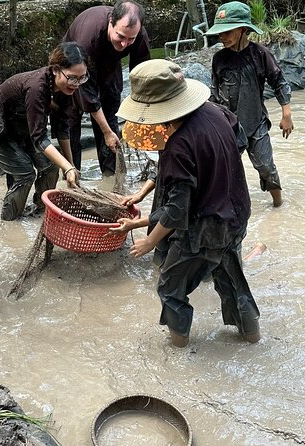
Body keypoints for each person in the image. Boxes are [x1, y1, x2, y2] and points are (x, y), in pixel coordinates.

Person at [111, 59, 261, 347]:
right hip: (236, 213)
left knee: (170, 287)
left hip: (205, 231)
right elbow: (239, 141)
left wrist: (149, 242)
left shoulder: (177, 147)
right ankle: (252, 337)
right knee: (231, 279)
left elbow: (178, 211)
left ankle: (178, 350)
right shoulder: (216, 111)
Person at [0, 42, 84, 221]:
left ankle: (42, 210)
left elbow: (62, 127)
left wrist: (70, 168)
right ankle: (10, 222)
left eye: (82, 78)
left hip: (23, 123)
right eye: (72, 77)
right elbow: (40, 137)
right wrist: (68, 167)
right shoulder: (36, 87)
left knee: (51, 165)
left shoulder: (68, 87)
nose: (77, 83)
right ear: (56, 69)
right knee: (25, 173)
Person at [205, 1, 294, 207]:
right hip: (228, 125)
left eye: (228, 31)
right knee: (222, 170)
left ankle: (278, 206)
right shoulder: (219, 59)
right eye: (220, 33)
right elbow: (214, 93)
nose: (222, 37)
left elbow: (279, 81)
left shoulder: (260, 54)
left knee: (266, 167)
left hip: (256, 123)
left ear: (243, 29)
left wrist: (286, 114)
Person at [62, 0, 150, 176]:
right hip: (73, 69)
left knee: (111, 116)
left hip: (110, 66)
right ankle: (72, 175)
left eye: (130, 39)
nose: (125, 43)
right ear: (111, 21)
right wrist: (106, 132)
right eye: (121, 36)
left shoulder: (138, 34)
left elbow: (143, 76)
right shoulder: (90, 36)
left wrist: (141, 117)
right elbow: (87, 92)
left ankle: (111, 175)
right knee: (71, 123)